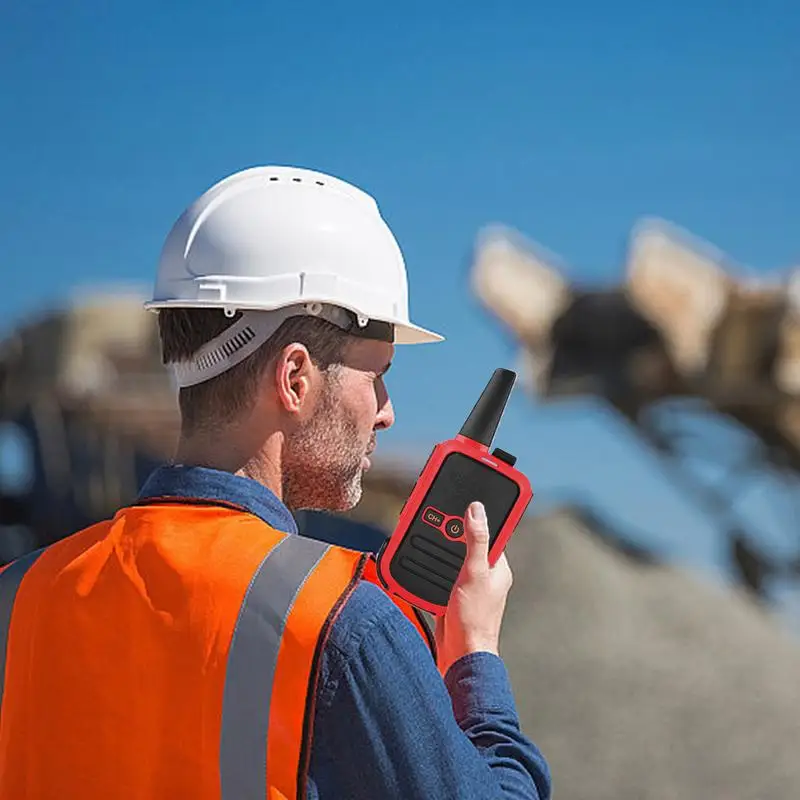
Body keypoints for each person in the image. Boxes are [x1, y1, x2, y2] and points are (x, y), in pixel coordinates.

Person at [0, 165, 552, 799]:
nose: (386, 410)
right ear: (295, 378)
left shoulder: (16, 598)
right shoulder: (344, 622)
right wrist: (473, 649)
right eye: (376, 374)